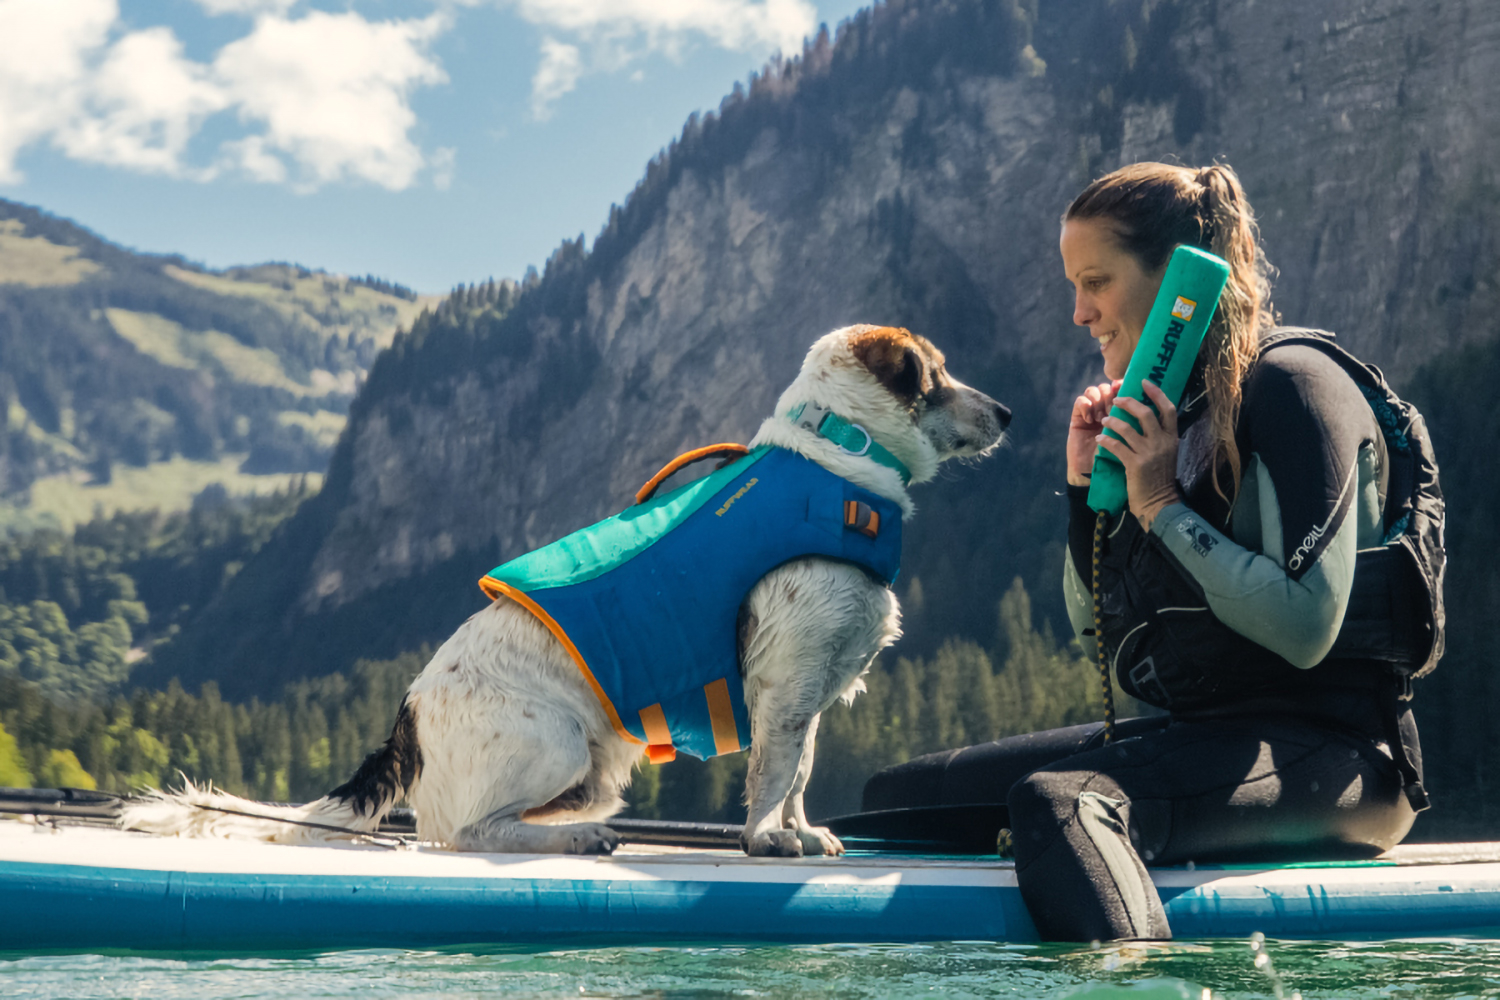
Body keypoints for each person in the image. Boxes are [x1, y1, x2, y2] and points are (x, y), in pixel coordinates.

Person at [861, 161, 1440, 941]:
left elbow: (1308, 630)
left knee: (1062, 801)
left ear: (1179, 283)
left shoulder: (1297, 388)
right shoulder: (1172, 416)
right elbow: (1095, 634)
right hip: (1201, 738)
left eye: (1095, 281)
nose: (1078, 312)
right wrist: (1085, 491)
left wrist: (1163, 505)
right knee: (898, 799)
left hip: (1340, 756)